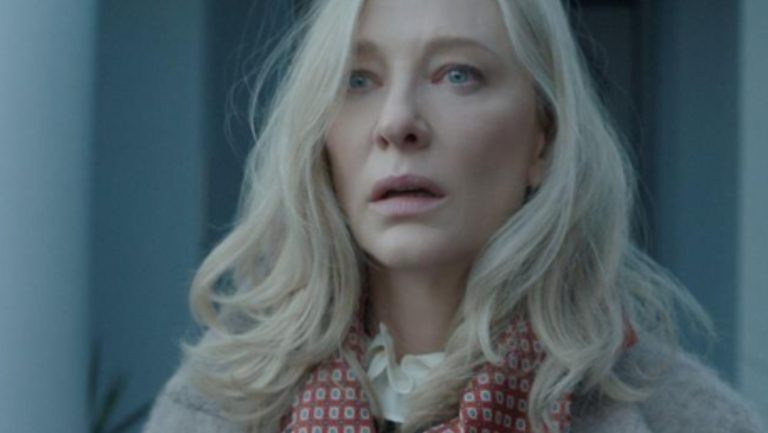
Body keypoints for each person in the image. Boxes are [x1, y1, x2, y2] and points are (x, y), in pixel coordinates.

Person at [142, 0, 766, 432]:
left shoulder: (678, 418)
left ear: (542, 140)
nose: (396, 122)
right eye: (358, 79)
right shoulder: (217, 403)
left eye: (458, 74)